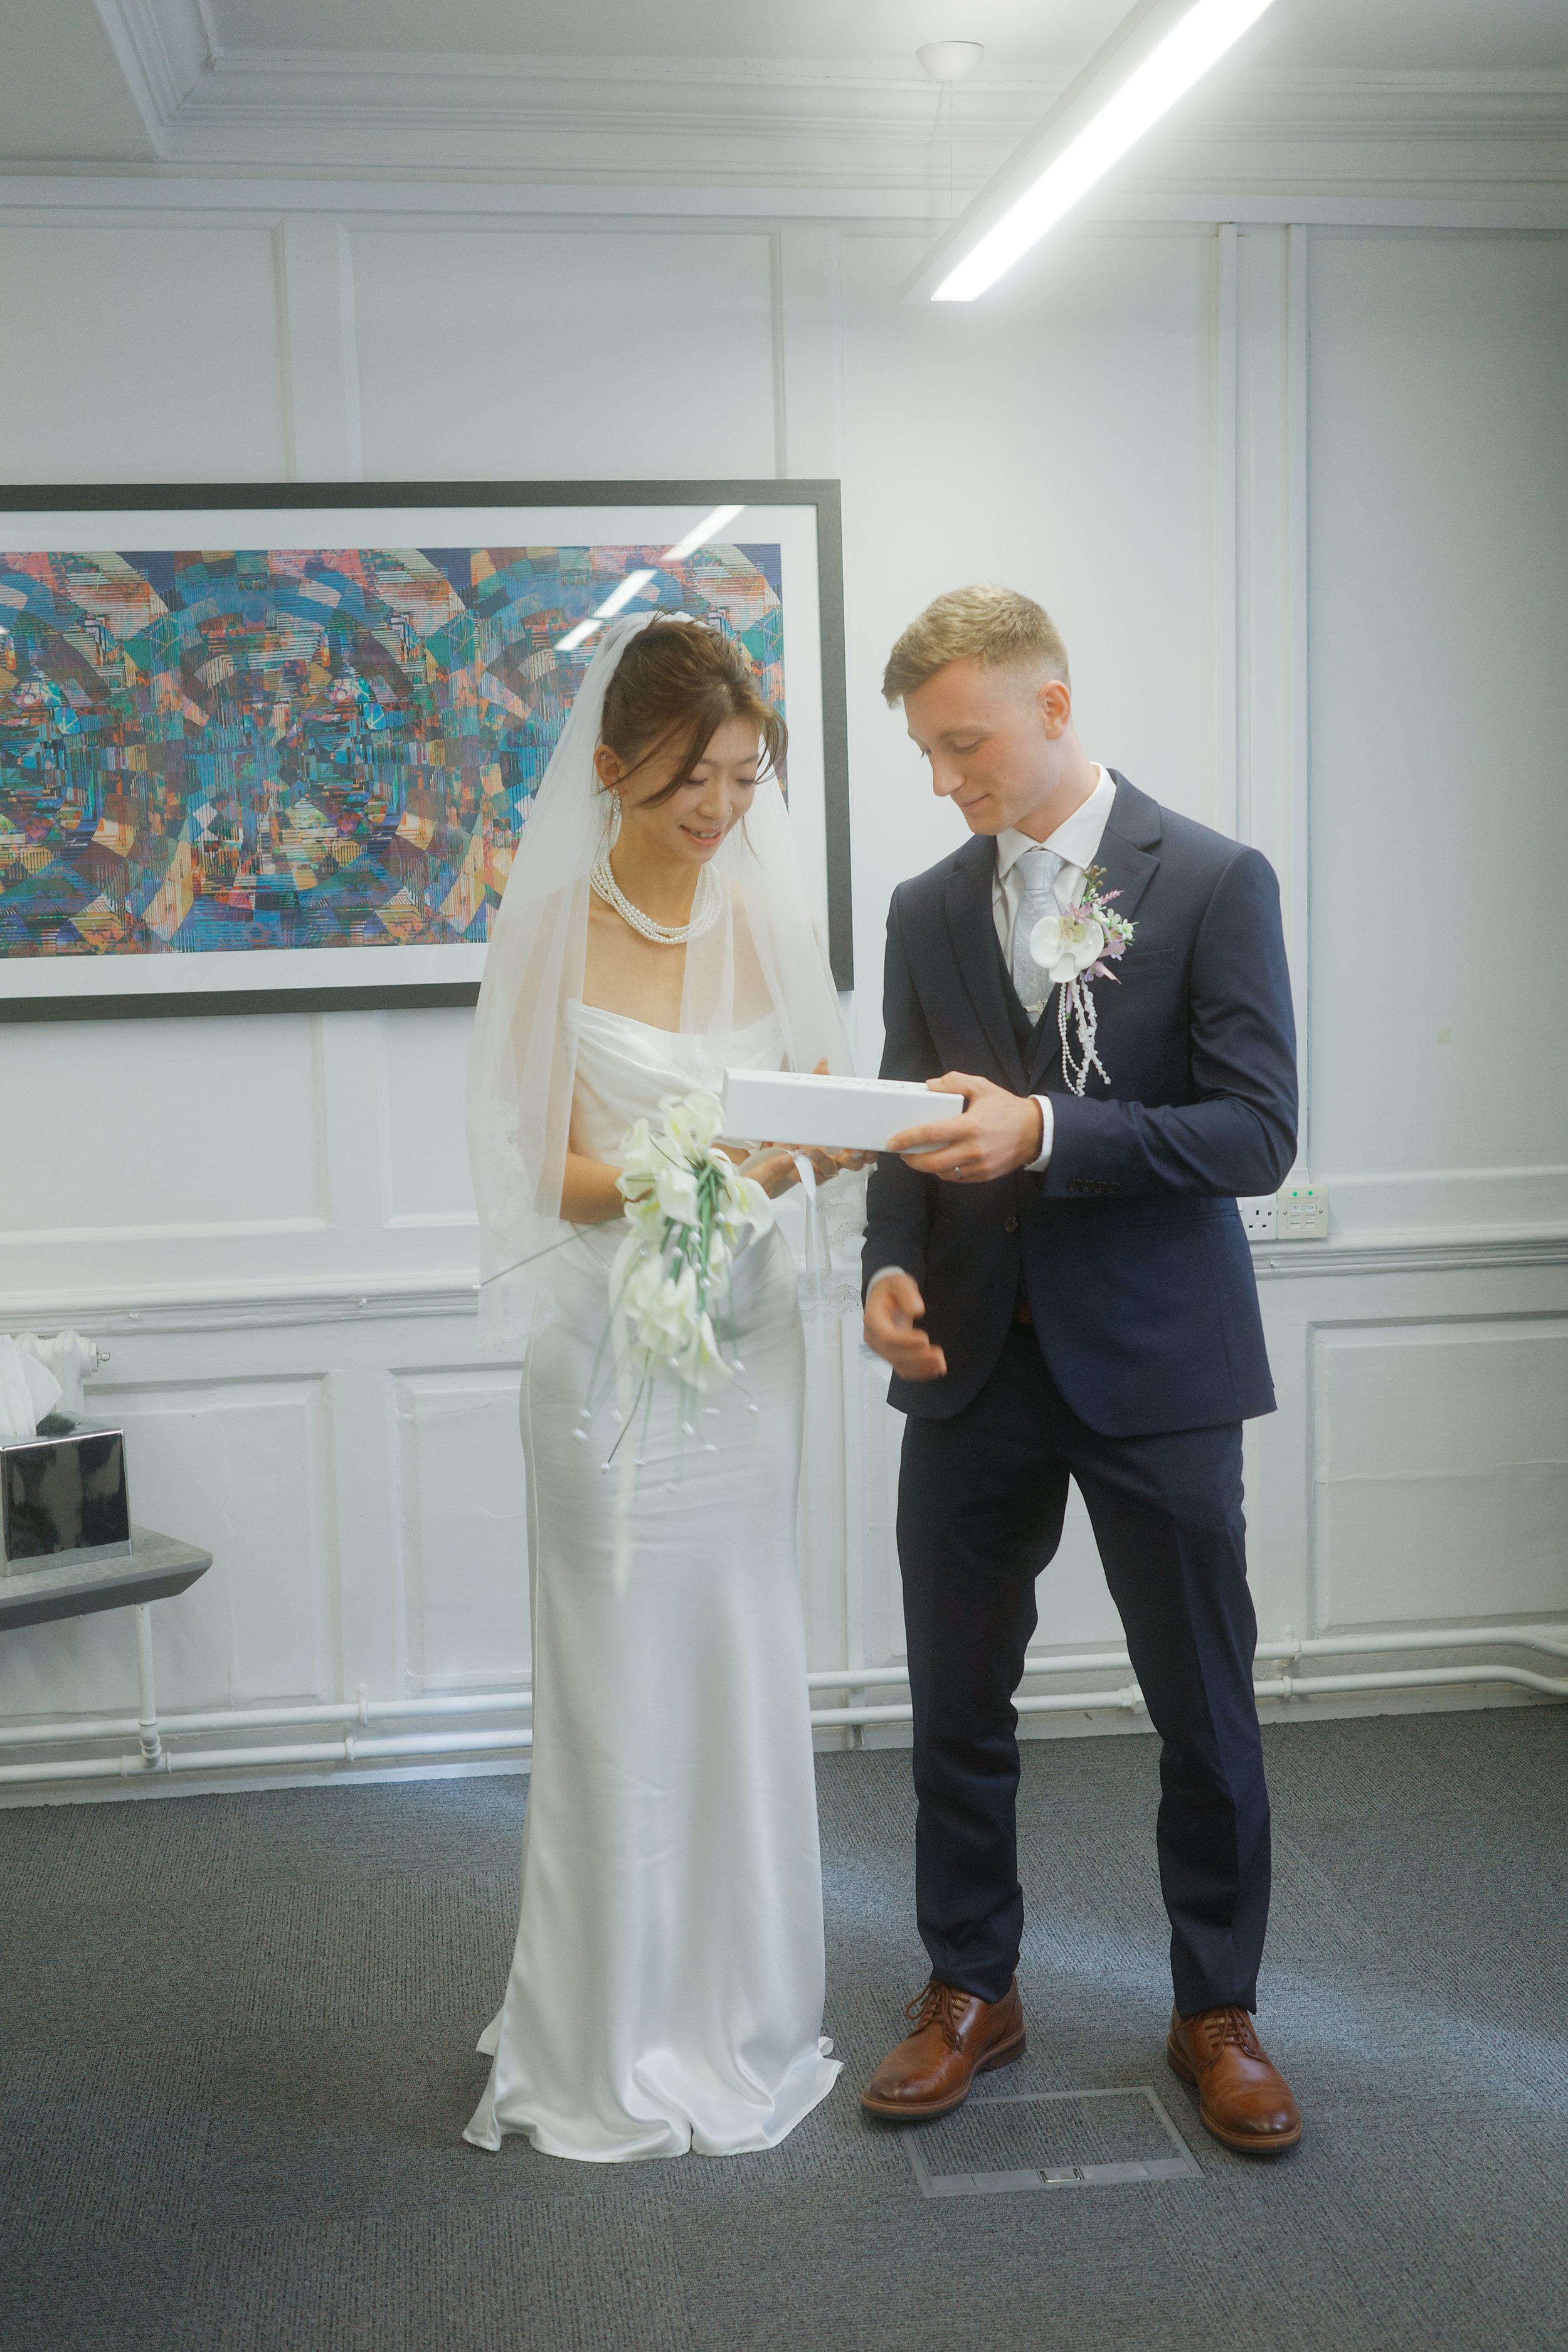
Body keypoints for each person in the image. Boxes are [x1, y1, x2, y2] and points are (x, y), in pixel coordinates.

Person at [859, 585, 1303, 2156]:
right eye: (923, 750)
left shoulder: (1213, 882)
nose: (943, 779)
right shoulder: (922, 907)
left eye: (962, 742)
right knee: (953, 1707)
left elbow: (1256, 1134)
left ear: (1053, 707)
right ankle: (971, 1986)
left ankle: (1217, 2010)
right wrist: (886, 1272)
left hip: (1159, 1367)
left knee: (1202, 1709)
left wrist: (1047, 1131)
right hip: (970, 1367)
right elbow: (912, 1124)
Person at [464, 612, 859, 2161]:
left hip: (746, 1345)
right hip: (603, 1364)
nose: (720, 809)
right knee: (619, 1683)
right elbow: (545, 1177)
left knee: (736, 1659)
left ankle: (735, 2009)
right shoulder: (554, 924)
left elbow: (812, 1129)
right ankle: (604, 2028)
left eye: (745, 777)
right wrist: (692, 1168)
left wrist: (807, 1155)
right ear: (616, 769)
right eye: (694, 779)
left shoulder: (767, 922)